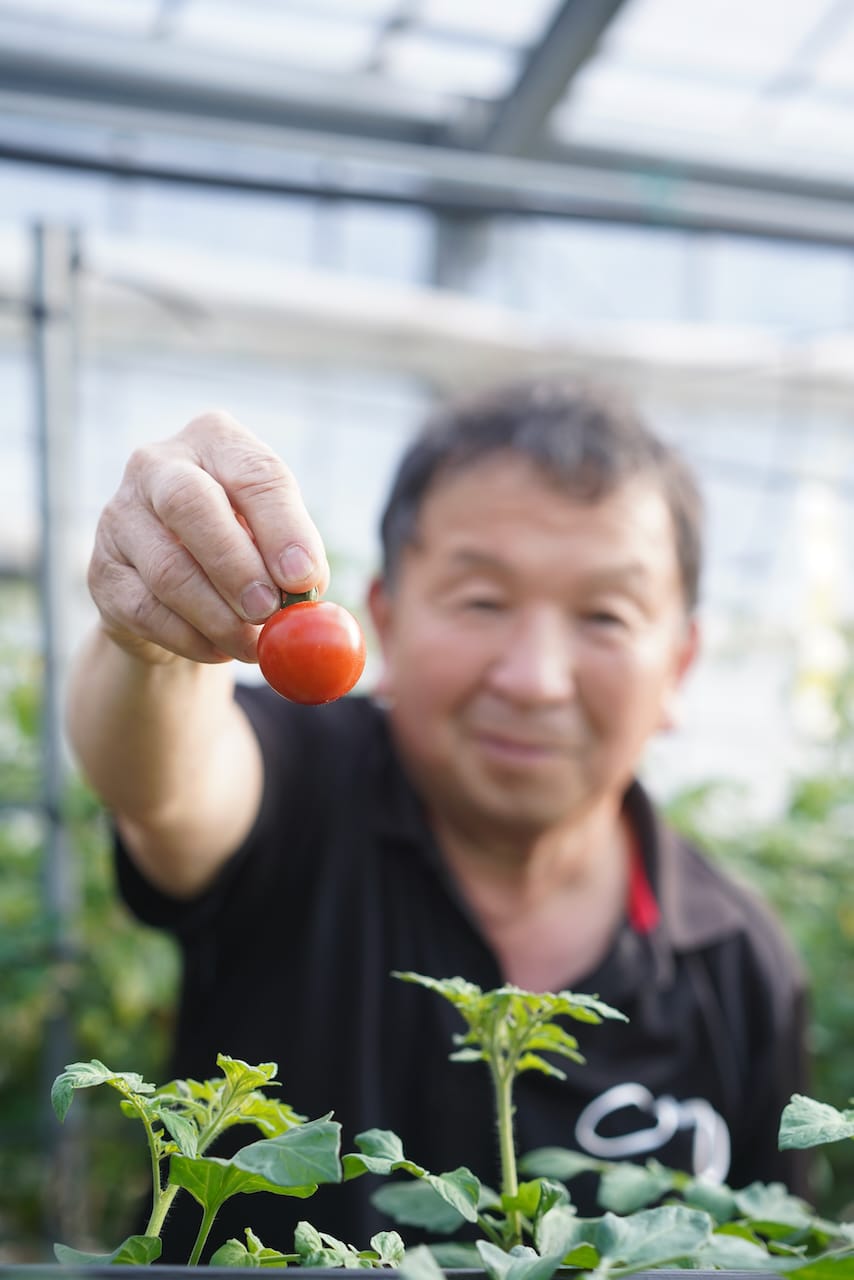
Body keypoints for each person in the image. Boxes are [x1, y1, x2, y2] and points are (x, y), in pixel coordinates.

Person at [66, 378, 810, 1261]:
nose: (534, 680)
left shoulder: (739, 968)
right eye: (482, 601)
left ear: (679, 664)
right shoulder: (302, 792)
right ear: (385, 619)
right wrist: (150, 648)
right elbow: (164, 780)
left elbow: (769, 1254)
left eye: (605, 615)